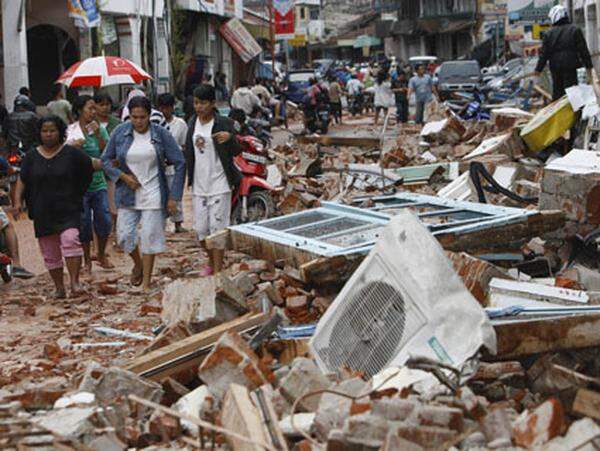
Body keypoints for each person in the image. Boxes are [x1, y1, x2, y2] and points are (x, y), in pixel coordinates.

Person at [102, 96, 185, 293]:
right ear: (128, 116)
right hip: (128, 193)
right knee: (123, 236)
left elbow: (180, 162)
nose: (138, 121)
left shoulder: (161, 134)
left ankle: (146, 282)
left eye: (142, 117)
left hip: (154, 191)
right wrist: (122, 176)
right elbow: (105, 160)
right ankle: (138, 264)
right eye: (134, 117)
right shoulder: (120, 133)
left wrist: (174, 196)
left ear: (150, 116)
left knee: (149, 236)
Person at [14, 115, 93, 298]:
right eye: (44, 131)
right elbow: (22, 179)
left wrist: (78, 192)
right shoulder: (31, 157)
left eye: (52, 131)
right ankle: (59, 287)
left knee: (71, 240)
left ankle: (74, 282)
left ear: (60, 132)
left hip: (68, 208)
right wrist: (18, 202)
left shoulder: (72, 154)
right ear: (39, 133)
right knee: (50, 251)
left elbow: (87, 169)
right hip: (42, 210)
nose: (48, 135)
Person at [184, 84, 241, 276]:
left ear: (212, 103)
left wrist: (230, 138)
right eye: (196, 103)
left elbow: (237, 150)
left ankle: (217, 270)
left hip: (220, 182)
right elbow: (189, 152)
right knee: (201, 230)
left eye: (203, 103)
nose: (199, 107)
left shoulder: (223, 123)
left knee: (217, 228)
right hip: (199, 184)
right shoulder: (192, 123)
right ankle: (212, 260)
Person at [66, 95, 112, 272]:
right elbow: (66, 155)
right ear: (79, 110)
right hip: (79, 186)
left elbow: (106, 151)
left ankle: (101, 253)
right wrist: (75, 147)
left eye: (95, 108)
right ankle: (87, 260)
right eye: (90, 108)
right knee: (83, 223)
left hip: (98, 182)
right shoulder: (71, 130)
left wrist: (99, 134)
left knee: (104, 220)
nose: (94, 112)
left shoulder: (99, 129)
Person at [534, 4, 596, 100]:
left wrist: (538, 69)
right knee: (573, 95)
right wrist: (589, 66)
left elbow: (544, 54)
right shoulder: (575, 30)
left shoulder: (548, 34)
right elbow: (583, 51)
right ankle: (575, 113)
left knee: (558, 94)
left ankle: (559, 113)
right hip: (571, 67)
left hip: (555, 68)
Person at [157, 93, 188, 233]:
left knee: (175, 193)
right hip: (159, 166)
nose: (165, 111)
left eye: (167, 108)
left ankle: (178, 223)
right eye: (162, 108)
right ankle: (160, 223)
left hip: (174, 165)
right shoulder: (155, 123)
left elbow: (185, 145)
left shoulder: (180, 124)